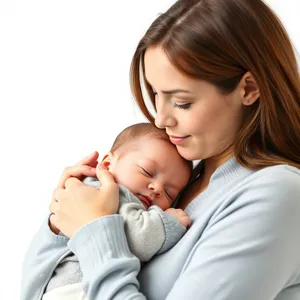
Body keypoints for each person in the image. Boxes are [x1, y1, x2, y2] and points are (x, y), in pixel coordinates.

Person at [23, 0, 300, 299]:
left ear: (248, 89)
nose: (159, 118)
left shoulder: (277, 195)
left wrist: (93, 230)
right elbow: (35, 291)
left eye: (181, 101)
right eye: (155, 93)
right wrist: (59, 222)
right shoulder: (184, 179)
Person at [21, 122, 192, 300]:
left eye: (168, 192)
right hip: (74, 290)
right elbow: (139, 239)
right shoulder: (107, 193)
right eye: (147, 172)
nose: (156, 187)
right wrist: (168, 222)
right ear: (108, 163)